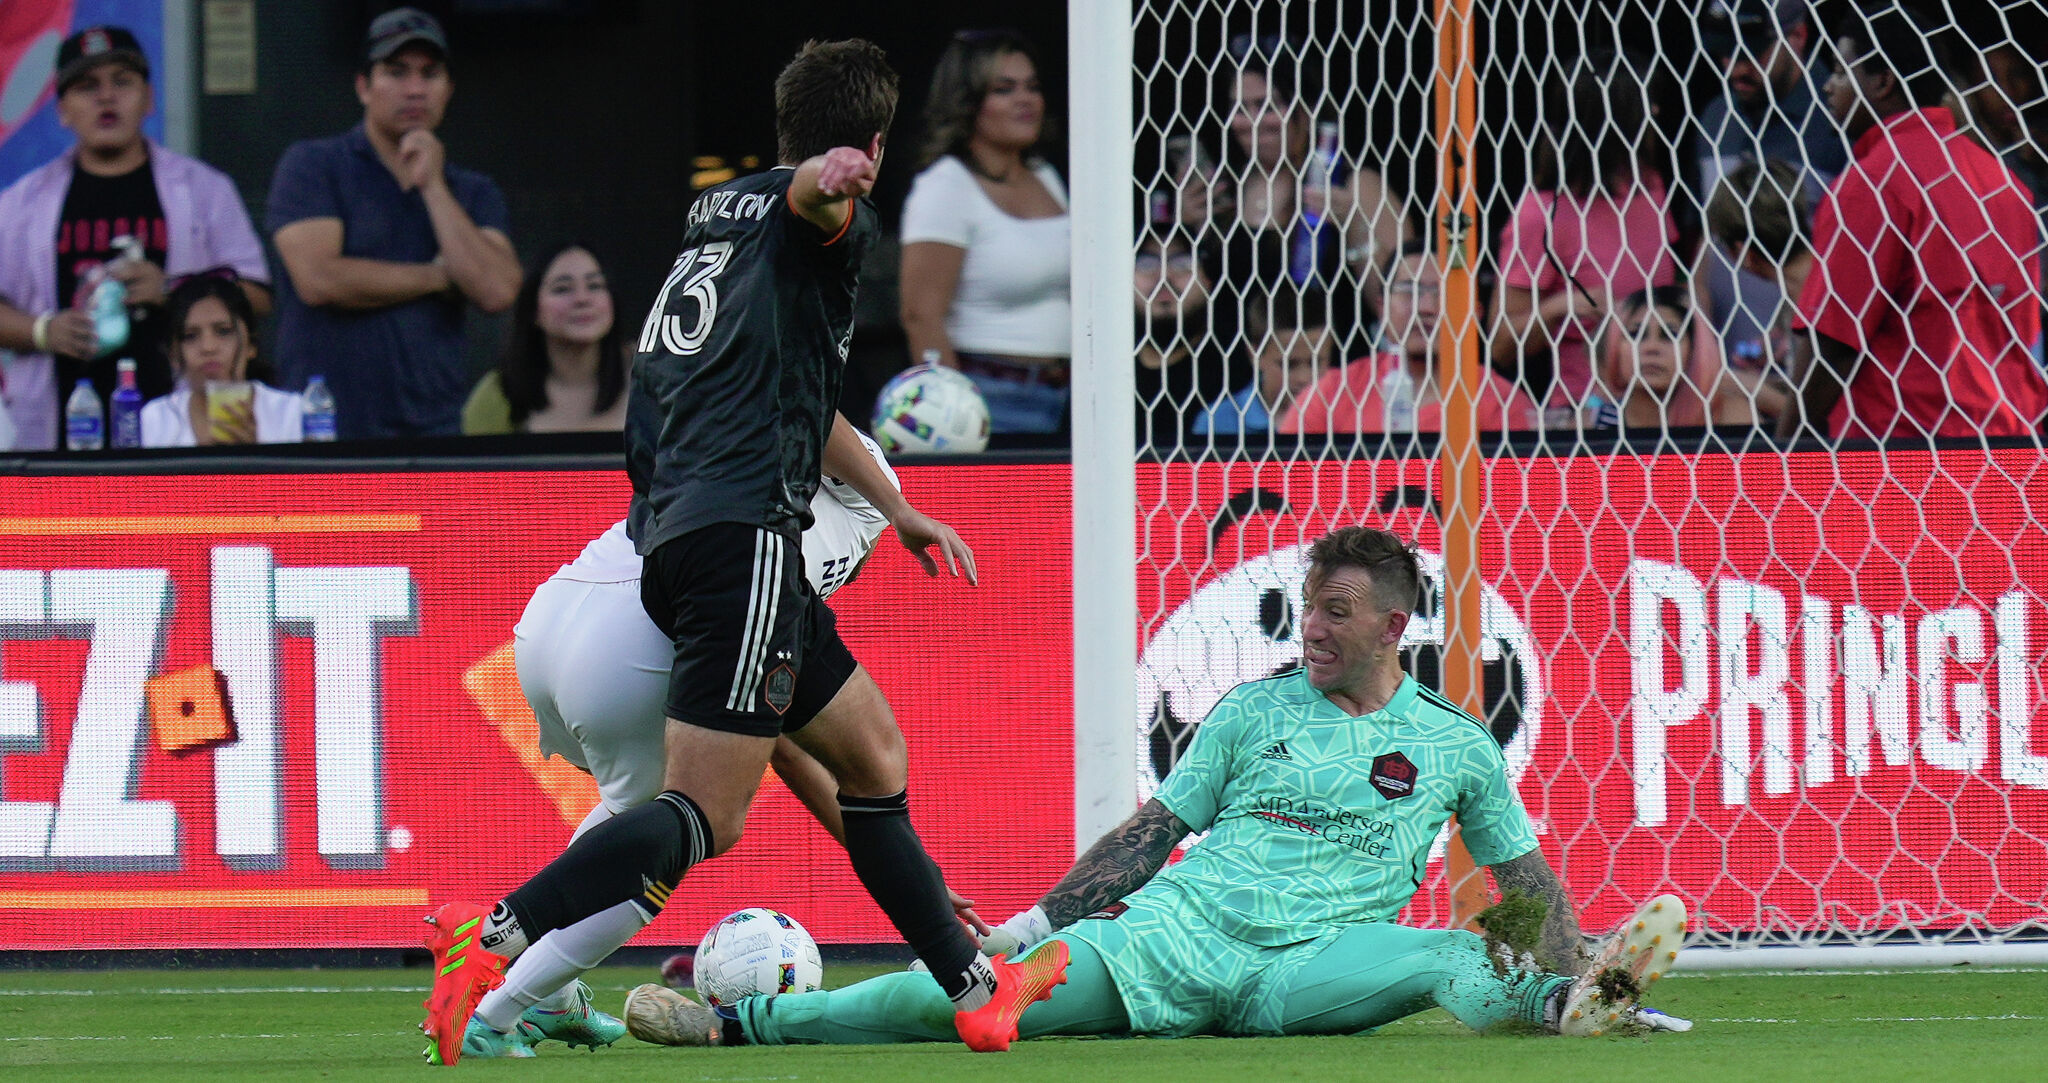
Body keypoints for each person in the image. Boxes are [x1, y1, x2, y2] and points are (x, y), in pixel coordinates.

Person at [417, 40, 1056, 1066]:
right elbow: (820, 204)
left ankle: (979, 990)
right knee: (700, 819)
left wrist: (898, 508)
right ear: (876, 145)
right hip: (744, 535)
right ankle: (491, 933)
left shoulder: (717, 213)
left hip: (672, 531)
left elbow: (808, 396)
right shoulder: (823, 212)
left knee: (874, 757)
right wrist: (832, 182)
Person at [622, 527, 1690, 1049]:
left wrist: (1578, 959)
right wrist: (1024, 927)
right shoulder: (1251, 711)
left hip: (1313, 966)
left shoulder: (1455, 745)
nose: (1310, 625)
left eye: (1334, 610)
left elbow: (1517, 877)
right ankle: (739, 1025)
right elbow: (1150, 833)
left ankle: (1573, 1010)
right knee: (961, 993)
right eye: (1306, 605)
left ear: (1392, 628)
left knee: (1453, 954)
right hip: (1170, 941)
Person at [461, 427, 988, 1058]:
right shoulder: (829, 519)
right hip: (636, 643)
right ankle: (491, 1003)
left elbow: (783, 742)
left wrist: (902, 868)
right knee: (668, 842)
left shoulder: (733, 461)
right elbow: (816, 416)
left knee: (639, 813)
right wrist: (900, 509)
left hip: (554, 619)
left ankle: (547, 995)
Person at [1781, 7, 2048, 443]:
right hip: (2008, 447)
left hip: (1903, 457)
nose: (1827, 86)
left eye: (1842, 72)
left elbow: (1833, 341)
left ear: (1883, 82)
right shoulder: (2003, 180)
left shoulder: (1873, 181)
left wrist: (1785, 454)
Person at [0, 25, 270, 450]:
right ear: (62, 110)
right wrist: (40, 331)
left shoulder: (204, 189)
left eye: (122, 82)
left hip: (185, 429)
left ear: (149, 98)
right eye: (88, 86)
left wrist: (173, 292)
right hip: (58, 435)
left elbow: (258, 295)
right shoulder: (21, 203)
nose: (106, 97)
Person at [267, 7, 520, 440]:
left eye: (430, 74)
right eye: (397, 72)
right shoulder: (314, 164)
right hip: (327, 431)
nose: (415, 89)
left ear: (449, 89)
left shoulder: (472, 191)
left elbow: (497, 288)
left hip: (435, 431)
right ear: (364, 86)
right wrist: (440, 277)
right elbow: (319, 279)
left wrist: (434, 187)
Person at [1175, 36, 1409, 343]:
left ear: (1308, 109)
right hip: (1236, 376)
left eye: (1268, 105)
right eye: (1240, 108)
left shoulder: (1354, 184)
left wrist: (1354, 227)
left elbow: (1404, 310)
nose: (1253, 122)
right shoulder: (1224, 186)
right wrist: (1186, 229)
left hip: (1328, 374)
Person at [899, 29, 1070, 435]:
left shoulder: (1045, 175)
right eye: (1004, 89)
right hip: (993, 401)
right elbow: (920, 314)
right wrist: (958, 416)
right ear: (968, 102)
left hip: (1070, 400)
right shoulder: (945, 186)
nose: (1025, 99)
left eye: (1032, 87)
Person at [1491, 55, 1682, 417]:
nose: (1657, 111)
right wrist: (1562, 306)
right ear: (1614, 120)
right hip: (1589, 415)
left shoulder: (1649, 187)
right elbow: (1501, 345)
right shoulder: (1541, 214)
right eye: (1645, 104)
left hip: (1669, 409)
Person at [1694, 0, 1848, 416]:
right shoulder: (1715, 117)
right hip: (1728, 383)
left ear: (1799, 35)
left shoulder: (1837, 120)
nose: (1734, 68)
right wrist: (1702, 347)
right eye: (1725, 53)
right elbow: (1702, 248)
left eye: (1751, 52)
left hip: (1818, 376)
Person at [1280, 242, 1541, 438]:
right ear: (1382, 308)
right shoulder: (1332, 394)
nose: (1425, 307)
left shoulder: (1501, 402)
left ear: (1474, 313)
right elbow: (1284, 486)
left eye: (1442, 293)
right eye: (1409, 291)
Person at [463, 243, 626, 434]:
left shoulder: (655, 380)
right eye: (562, 289)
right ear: (533, 310)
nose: (582, 299)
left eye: (595, 285)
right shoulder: (497, 395)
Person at [1703, 159, 1812, 421]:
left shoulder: (1815, 296)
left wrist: (1758, 392)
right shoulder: (1798, 292)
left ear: (1742, 252)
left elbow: (1822, 410)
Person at [141, 273, 302, 447]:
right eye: (190, 336)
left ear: (251, 346)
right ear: (173, 355)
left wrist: (253, 457)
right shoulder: (155, 418)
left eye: (224, 331)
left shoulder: (292, 412)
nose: (208, 347)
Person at [1587, 286, 1746, 433]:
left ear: (1695, 350)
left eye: (1670, 336)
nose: (1651, 348)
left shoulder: (1731, 418)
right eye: (1635, 335)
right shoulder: (1591, 426)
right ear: (1614, 347)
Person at [1133, 229, 1235, 453]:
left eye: (1182, 265)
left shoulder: (1235, 370)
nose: (1163, 277)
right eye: (1147, 265)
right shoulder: (1104, 373)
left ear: (1208, 281)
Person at [1193, 288, 1334, 438]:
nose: (1303, 378)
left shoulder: (1348, 414)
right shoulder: (1218, 422)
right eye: (1288, 365)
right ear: (1254, 355)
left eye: (1316, 363)